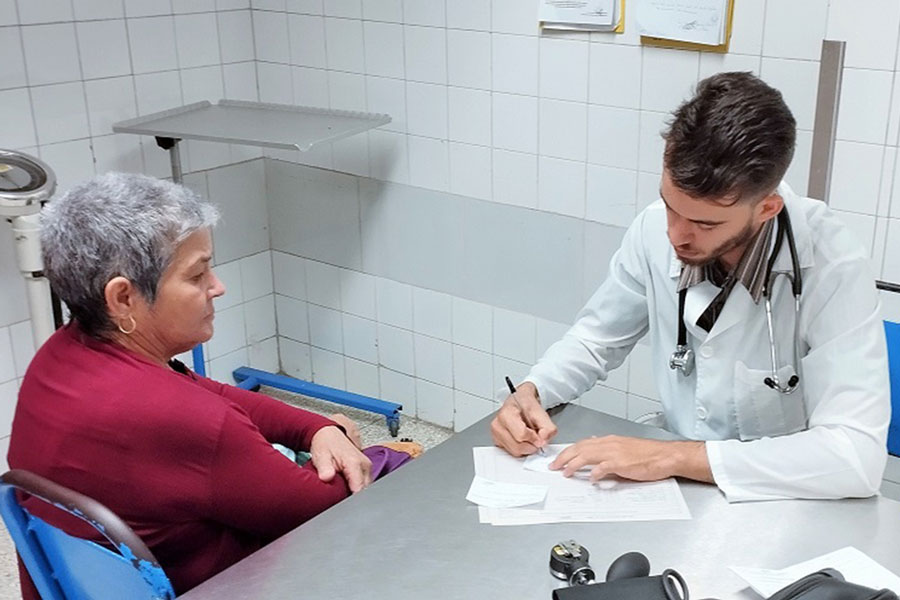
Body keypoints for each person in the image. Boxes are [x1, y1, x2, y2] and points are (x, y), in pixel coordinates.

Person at [7, 173, 414, 598]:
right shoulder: (182, 420)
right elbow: (318, 508)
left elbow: (205, 390)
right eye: (197, 275)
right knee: (393, 475)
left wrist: (313, 427)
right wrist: (349, 442)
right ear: (123, 298)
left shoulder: (58, 355)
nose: (217, 287)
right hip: (215, 585)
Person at [491, 72, 891, 503]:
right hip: (677, 495)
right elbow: (596, 339)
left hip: (783, 496)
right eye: (669, 206)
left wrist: (677, 457)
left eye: (704, 223)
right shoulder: (653, 230)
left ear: (767, 208)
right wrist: (533, 392)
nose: (676, 235)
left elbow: (854, 457)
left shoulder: (831, 264)